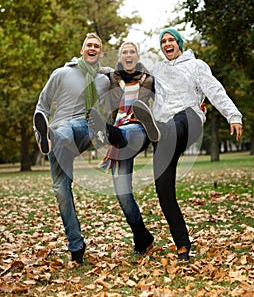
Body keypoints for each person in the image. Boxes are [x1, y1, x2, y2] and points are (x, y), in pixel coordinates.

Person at [133, 28, 243, 262]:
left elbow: (215, 90)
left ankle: (159, 130)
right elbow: (130, 73)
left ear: (179, 43)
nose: (167, 44)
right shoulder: (158, 70)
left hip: (189, 119)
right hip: (163, 130)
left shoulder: (196, 66)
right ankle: (182, 245)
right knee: (163, 191)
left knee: (179, 120)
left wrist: (233, 115)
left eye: (171, 40)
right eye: (163, 41)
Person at [33, 33, 110, 264]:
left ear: (101, 53)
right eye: (89, 45)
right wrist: (40, 134)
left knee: (72, 127)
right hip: (56, 137)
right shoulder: (61, 73)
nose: (93, 48)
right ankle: (76, 245)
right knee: (61, 190)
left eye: (97, 46)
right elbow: (42, 105)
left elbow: (128, 79)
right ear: (82, 49)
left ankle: (53, 137)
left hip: (85, 129)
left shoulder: (104, 80)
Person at [87, 42, 160, 255]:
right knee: (122, 194)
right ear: (120, 56)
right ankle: (142, 237)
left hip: (139, 129)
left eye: (132, 52)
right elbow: (93, 68)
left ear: (137, 56)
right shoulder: (112, 78)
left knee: (128, 133)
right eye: (124, 52)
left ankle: (110, 133)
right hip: (117, 134)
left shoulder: (149, 79)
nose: (128, 55)